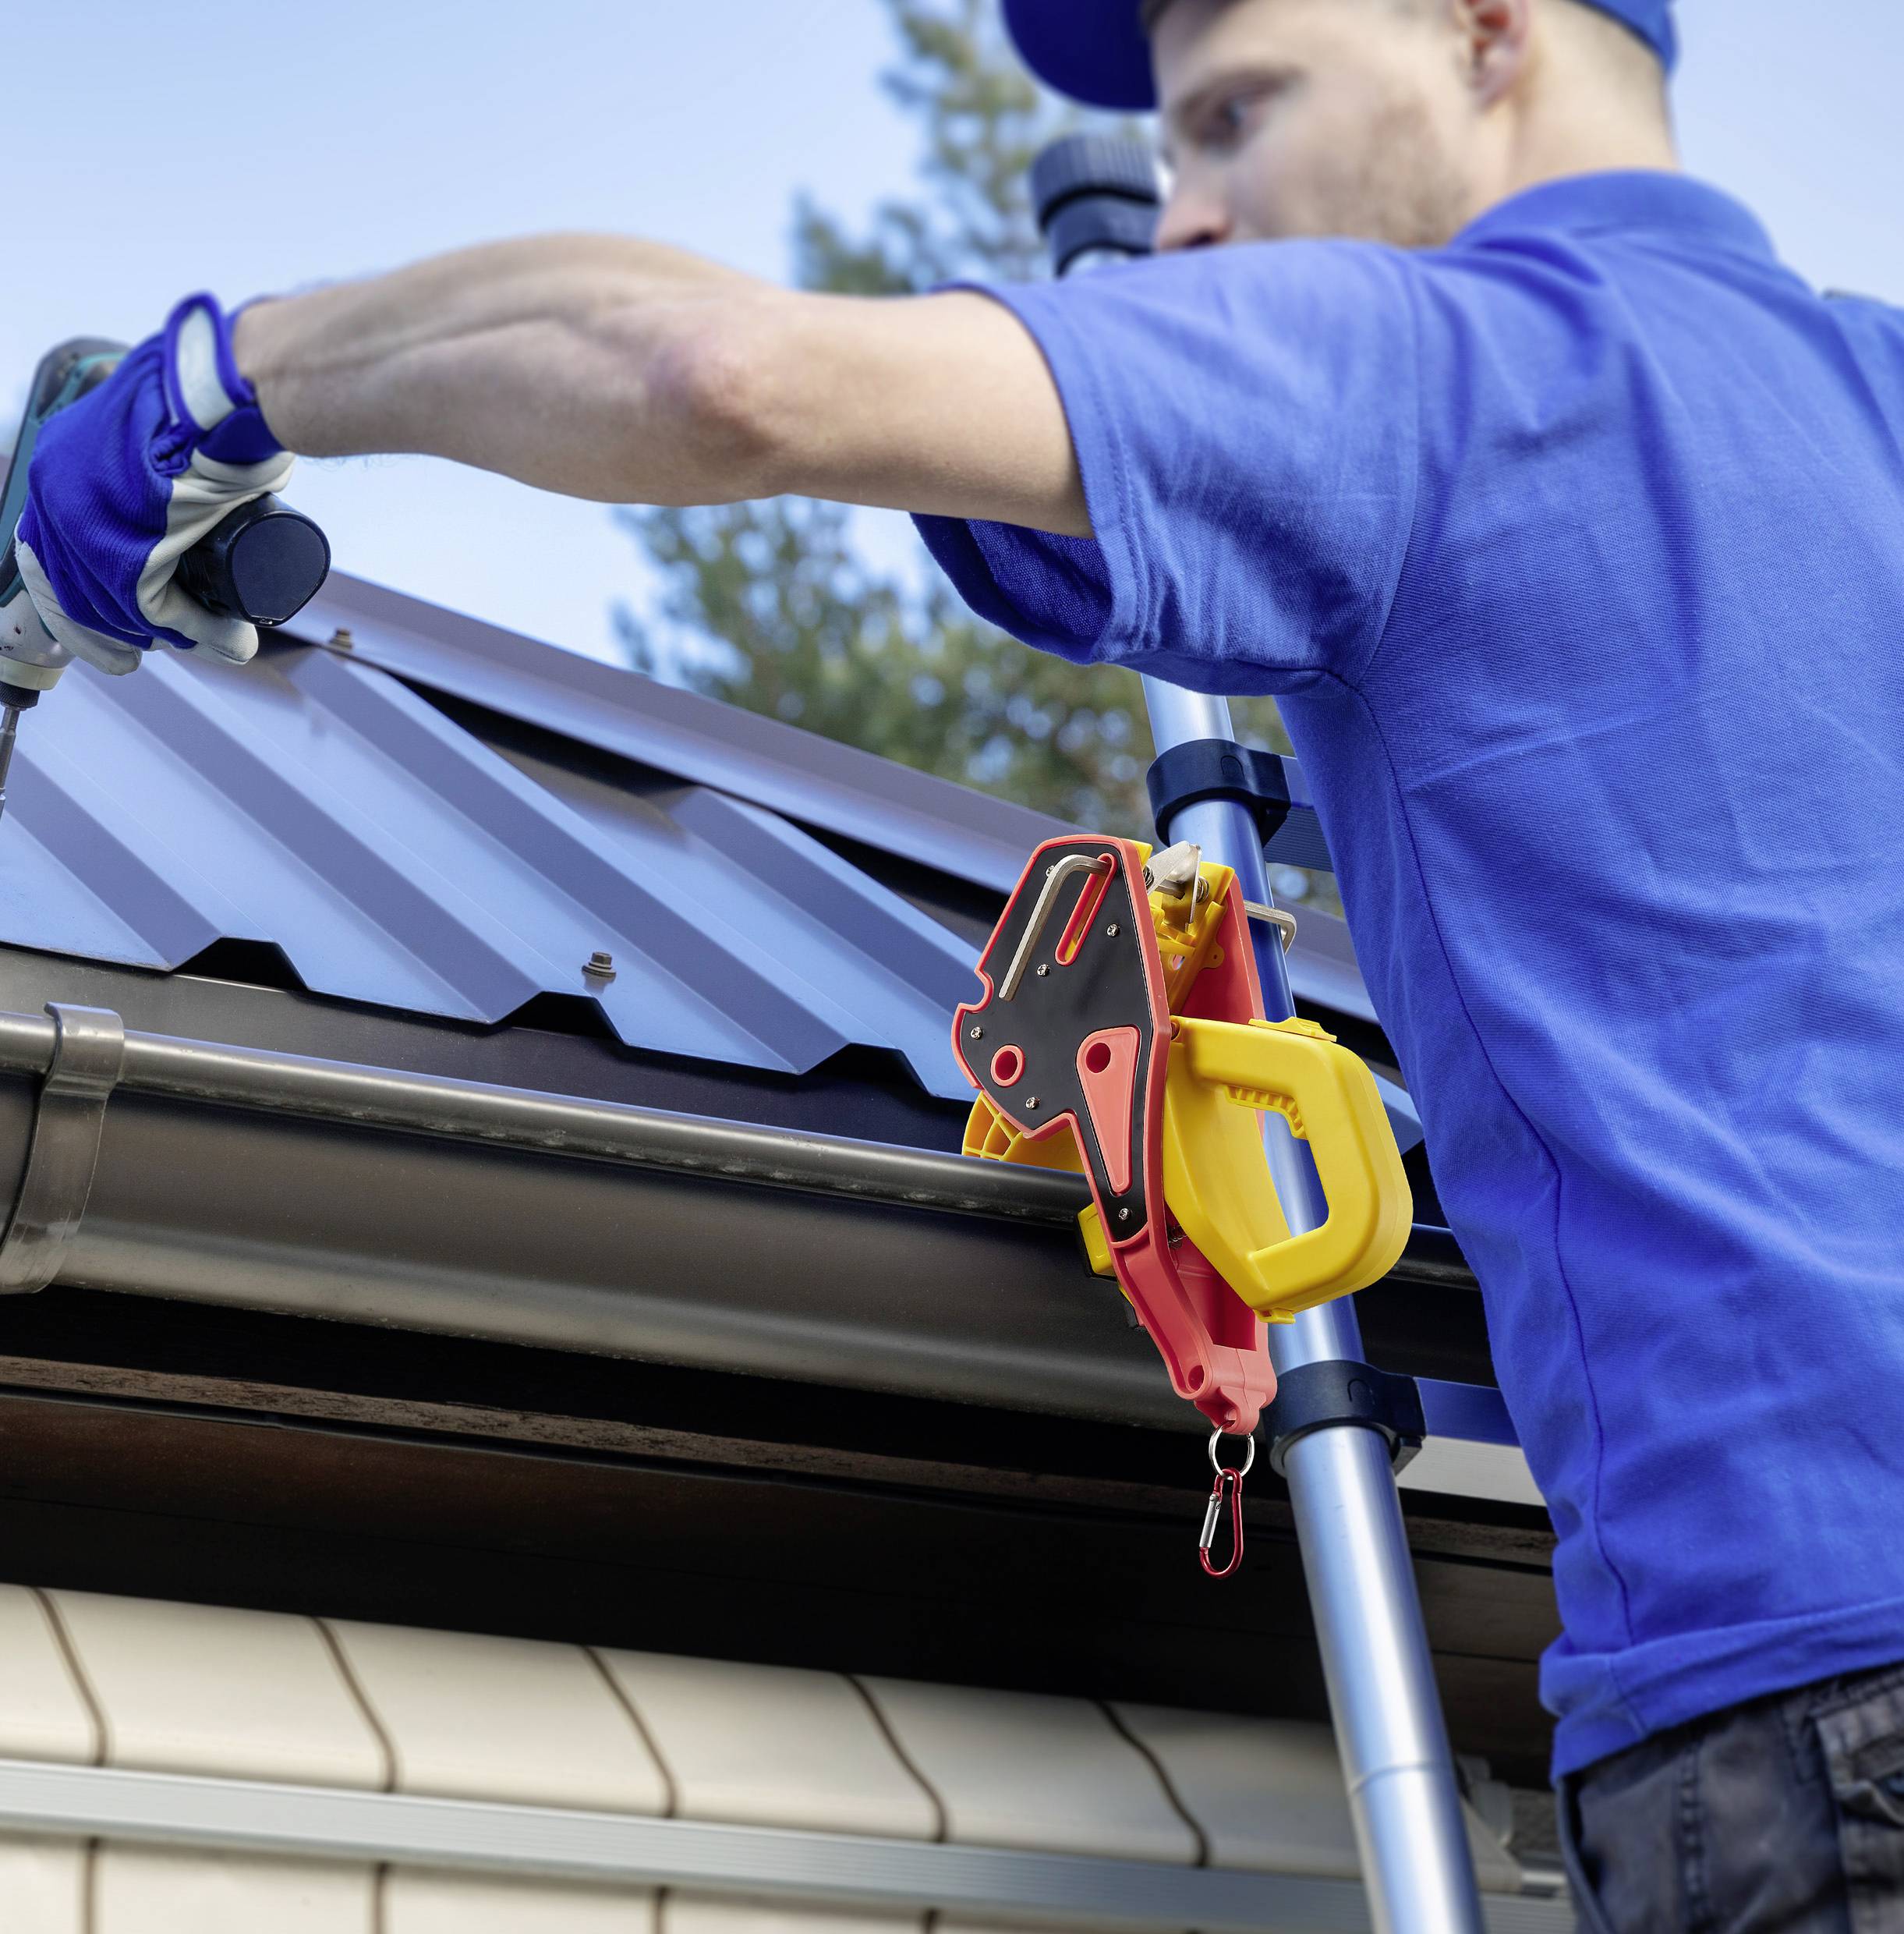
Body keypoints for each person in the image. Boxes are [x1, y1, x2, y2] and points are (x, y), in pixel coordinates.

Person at [16, 1, 1904, 1924]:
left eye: (1239, 118)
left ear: (1487, 32)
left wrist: (212, 383)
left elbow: (715, 371)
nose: (1187, 222)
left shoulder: (1427, 361)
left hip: (1816, 1685)